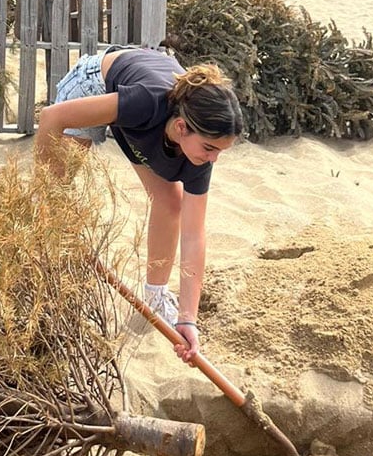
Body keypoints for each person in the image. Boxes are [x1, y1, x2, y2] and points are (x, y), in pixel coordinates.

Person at [36, 48, 243, 363]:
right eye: (210, 148)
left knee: (170, 202)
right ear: (181, 128)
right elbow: (52, 117)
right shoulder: (146, 102)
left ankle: (156, 296)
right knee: (57, 199)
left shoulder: (199, 150)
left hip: (142, 117)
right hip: (96, 83)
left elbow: (193, 235)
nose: (213, 159)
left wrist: (188, 318)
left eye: (219, 151)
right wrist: (44, 194)